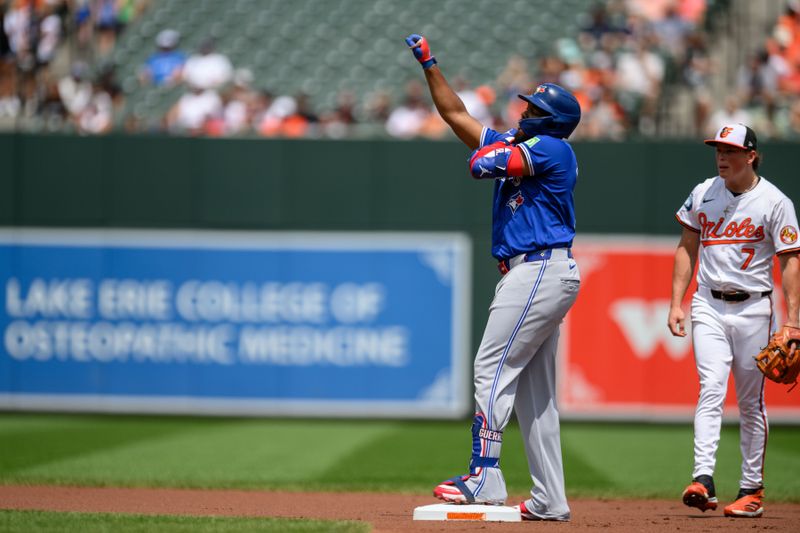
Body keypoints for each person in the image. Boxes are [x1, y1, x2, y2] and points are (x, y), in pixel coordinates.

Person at [405, 34, 581, 521]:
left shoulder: (550, 147)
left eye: (530, 108)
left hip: (538, 269)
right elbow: (456, 116)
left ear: (547, 119)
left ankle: (485, 473)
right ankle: (550, 500)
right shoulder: (526, 143)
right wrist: (429, 65)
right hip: (542, 271)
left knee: (490, 369)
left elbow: (482, 165)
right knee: (535, 396)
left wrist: (492, 151)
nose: (522, 111)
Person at [668, 123, 800, 518]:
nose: (722, 157)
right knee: (710, 388)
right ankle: (703, 480)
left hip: (754, 307)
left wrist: (794, 320)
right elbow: (686, 247)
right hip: (707, 303)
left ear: (751, 155)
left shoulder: (775, 201)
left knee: (749, 400)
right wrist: (677, 302)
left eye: (730, 151)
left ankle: (751, 490)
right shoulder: (703, 192)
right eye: (718, 150)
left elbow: (791, 260)